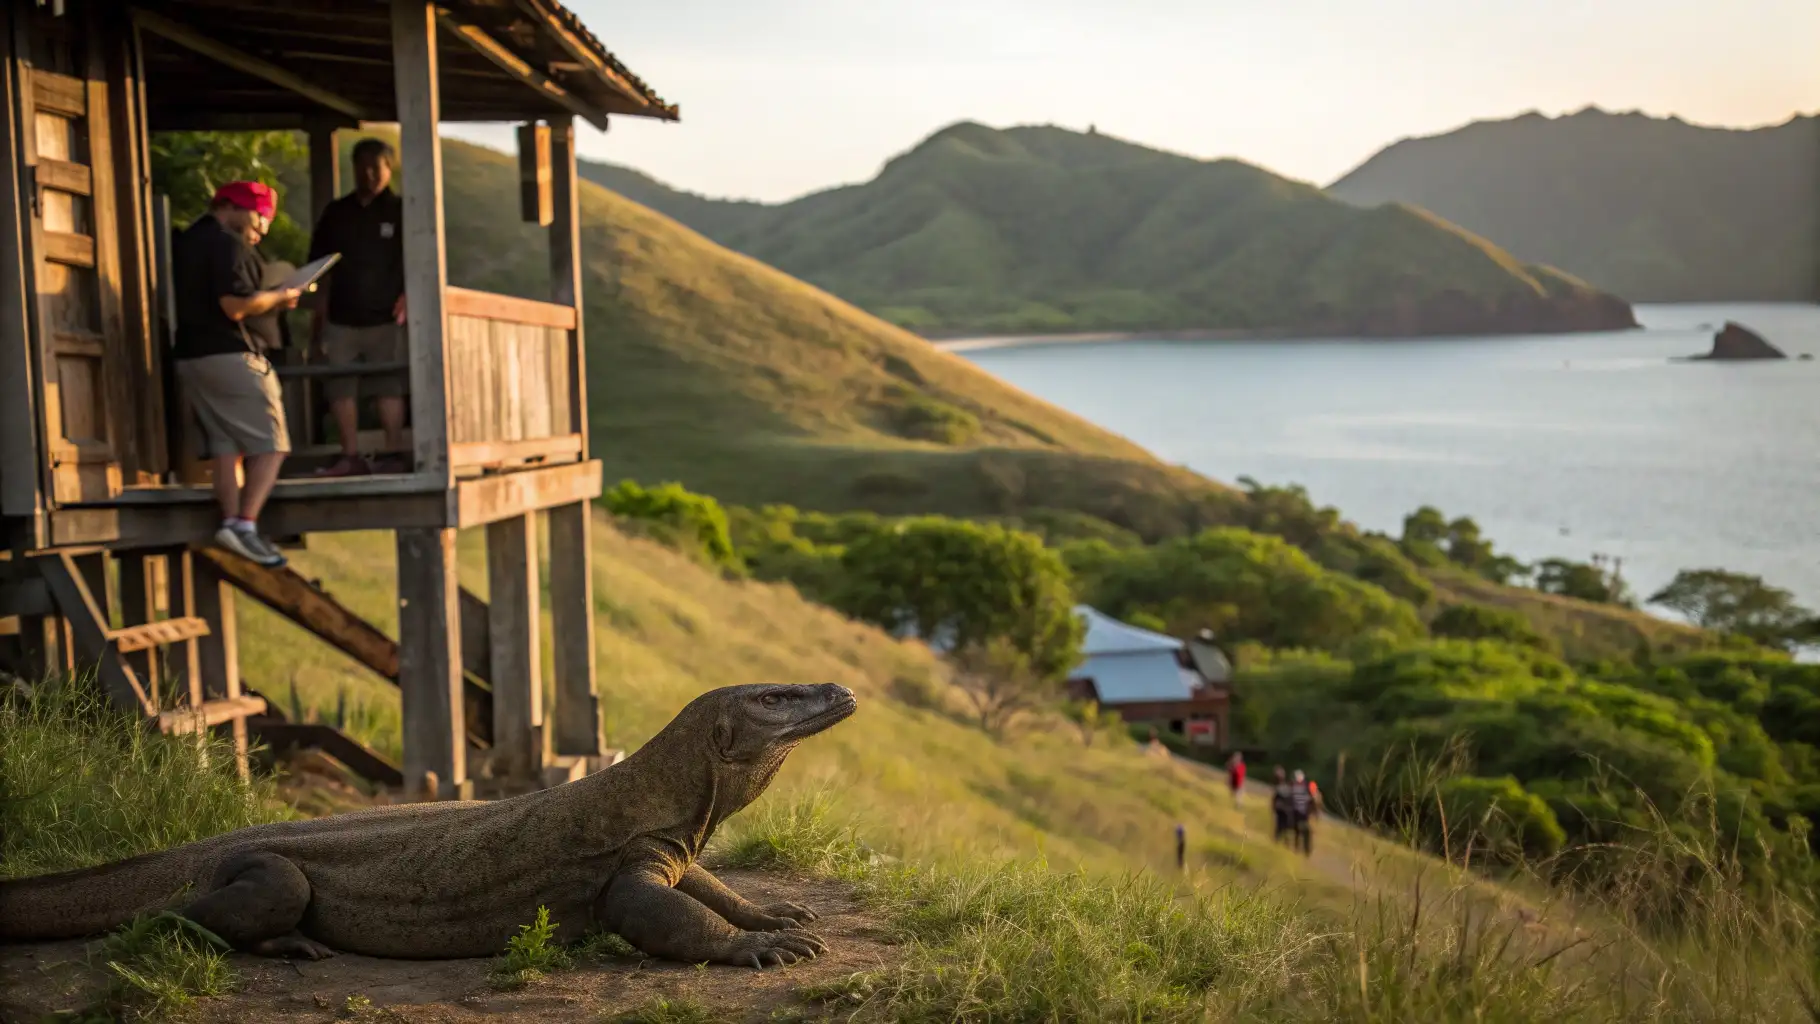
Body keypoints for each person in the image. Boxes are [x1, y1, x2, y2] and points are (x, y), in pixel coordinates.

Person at [171, 181, 302, 568]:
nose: (263, 228)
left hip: (191, 357)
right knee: (272, 445)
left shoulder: (188, 240)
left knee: (225, 445)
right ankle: (245, 524)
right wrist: (281, 297)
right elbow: (235, 306)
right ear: (235, 207)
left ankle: (230, 522)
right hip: (229, 355)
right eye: (261, 217)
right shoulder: (227, 243)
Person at [308, 138, 407, 477]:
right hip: (341, 316)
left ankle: (393, 453)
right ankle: (349, 456)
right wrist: (318, 316)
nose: (368, 174)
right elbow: (319, 267)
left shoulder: (400, 210)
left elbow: (421, 259)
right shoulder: (337, 213)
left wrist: (409, 295)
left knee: (388, 386)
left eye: (375, 167)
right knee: (340, 386)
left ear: (389, 168)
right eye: (362, 166)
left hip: (386, 316)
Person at [1289, 769, 1321, 857]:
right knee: (1301, 831)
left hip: (1304, 814)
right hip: (1303, 813)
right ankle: (1303, 849)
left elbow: (1315, 803)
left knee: (1302, 831)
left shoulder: (1305, 789)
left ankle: (1303, 849)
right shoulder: (1306, 788)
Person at [1270, 766, 1292, 845]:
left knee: (1281, 825)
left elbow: (1275, 799)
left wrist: (1273, 807)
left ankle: (1280, 839)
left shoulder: (1281, 787)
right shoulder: (1285, 787)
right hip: (1284, 808)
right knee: (1282, 825)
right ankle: (1281, 839)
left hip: (1282, 808)